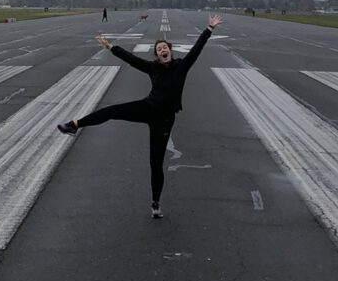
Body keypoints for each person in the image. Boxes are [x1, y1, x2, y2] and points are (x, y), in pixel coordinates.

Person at [57, 14, 223, 219]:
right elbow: (132, 59)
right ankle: (74, 124)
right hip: (147, 108)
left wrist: (209, 28)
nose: (162, 50)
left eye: (165, 47)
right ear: (157, 54)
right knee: (111, 111)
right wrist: (110, 47)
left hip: (165, 119)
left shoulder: (182, 66)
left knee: (156, 163)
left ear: (170, 51)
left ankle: (155, 203)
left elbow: (197, 48)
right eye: (159, 49)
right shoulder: (152, 67)